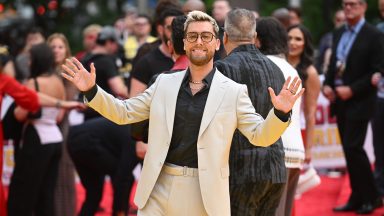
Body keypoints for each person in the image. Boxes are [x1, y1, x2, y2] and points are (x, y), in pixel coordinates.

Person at [61, 10, 304, 216]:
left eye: (206, 36)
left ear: (218, 42)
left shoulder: (233, 92)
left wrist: (280, 113)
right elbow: (124, 113)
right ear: (184, 43)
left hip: (205, 193)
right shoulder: (163, 84)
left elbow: (259, 135)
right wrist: (92, 90)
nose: (199, 41)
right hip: (158, 186)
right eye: (193, 36)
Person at [214, 9, 287, 216]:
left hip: (240, 169)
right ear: (254, 37)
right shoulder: (276, 68)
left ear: (224, 36)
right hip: (275, 167)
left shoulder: (222, 69)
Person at [323, 0, 384, 214]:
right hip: (339, 100)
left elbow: (377, 70)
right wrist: (327, 84)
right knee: (349, 150)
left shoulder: (374, 35)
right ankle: (357, 196)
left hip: (361, 99)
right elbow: (333, 64)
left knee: (353, 147)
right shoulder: (339, 32)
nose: (349, 8)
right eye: (346, 4)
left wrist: (352, 89)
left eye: (354, 4)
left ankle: (372, 196)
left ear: (364, 7)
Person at [256, 17, 305, 216]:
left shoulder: (263, 65)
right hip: (295, 150)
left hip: (276, 150)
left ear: (258, 39)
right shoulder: (291, 68)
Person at [7, 43, 64, 216]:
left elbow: (20, 115)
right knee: (46, 193)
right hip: (55, 138)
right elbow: (60, 116)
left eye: (31, 58)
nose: (28, 62)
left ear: (37, 60)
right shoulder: (58, 81)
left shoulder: (34, 82)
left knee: (23, 191)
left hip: (37, 138)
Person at [68, 117, 137, 216]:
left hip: (74, 137)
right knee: (125, 178)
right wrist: (120, 210)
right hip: (88, 141)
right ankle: (119, 212)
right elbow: (122, 178)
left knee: (94, 193)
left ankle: (119, 210)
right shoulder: (135, 139)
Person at [47, 33, 78, 216]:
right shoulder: (43, 71)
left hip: (61, 127)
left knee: (62, 172)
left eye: (60, 47)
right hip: (42, 126)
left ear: (66, 49)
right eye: (53, 47)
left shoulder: (69, 71)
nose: (57, 50)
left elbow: (62, 111)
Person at [287, 24, 321, 167]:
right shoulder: (276, 63)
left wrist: (308, 149)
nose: (292, 43)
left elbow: (310, 113)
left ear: (305, 44)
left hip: (297, 131)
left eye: (298, 39)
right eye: (289, 38)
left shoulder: (310, 73)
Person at [316, 10, 346, 75]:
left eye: (344, 20)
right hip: (326, 74)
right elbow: (319, 60)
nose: (341, 23)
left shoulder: (352, 39)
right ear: (334, 20)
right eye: (338, 20)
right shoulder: (327, 38)